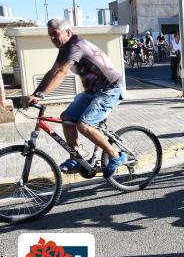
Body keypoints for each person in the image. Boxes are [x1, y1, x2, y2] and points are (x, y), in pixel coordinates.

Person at [20, 18, 126, 177]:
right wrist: (35, 94)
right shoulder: (64, 48)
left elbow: (62, 72)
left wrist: (41, 95)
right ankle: (75, 157)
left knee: (84, 125)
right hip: (92, 91)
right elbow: (52, 72)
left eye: (55, 34)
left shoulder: (76, 46)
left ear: (68, 32)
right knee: (67, 118)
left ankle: (116, 156)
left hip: (109, 89)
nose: (53, 38)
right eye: (50, 35)